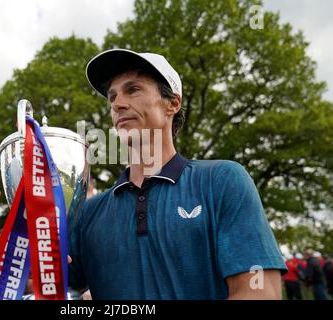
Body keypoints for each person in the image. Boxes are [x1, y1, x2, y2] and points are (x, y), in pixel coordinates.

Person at [68, 49, 287, 300]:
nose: (117, 104)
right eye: (112, 96)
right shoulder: (87, 212)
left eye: (133, 89)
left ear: (172, 103)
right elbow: (40, 285)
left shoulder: (223, 181)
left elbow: (260, 292)